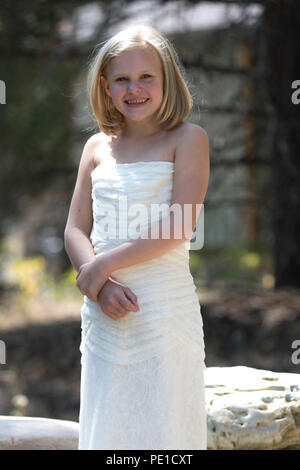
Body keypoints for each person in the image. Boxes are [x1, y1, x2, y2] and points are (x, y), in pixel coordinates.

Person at [64, 24, 210, 450]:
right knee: (110, 428)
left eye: (147, 77)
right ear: (106, 87)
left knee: (166, 432)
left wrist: (104, 266)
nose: (135, 88)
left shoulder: (188, 139)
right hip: (103, 314)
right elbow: (75, 228)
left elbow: (179, 224)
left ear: (167, 81)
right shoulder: (95, 148)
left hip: (163, 313)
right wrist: (100, 288)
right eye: (122, 79)